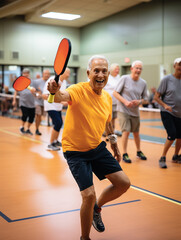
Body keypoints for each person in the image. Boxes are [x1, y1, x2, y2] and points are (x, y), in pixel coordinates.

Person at [47, 55, 130, 240]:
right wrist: (54, 91)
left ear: (108, 74)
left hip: (97, 148)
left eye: (104, 71)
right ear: (88, 73)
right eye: (96, 71)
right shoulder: (78, 89)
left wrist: (115, 145)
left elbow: (108, 123)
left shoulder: (107, 98)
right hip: (75, 152)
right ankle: (85, 237)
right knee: (89, 194)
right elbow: (59, 97)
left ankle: (96, 209)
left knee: (124, 183)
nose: (100, 74)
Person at [113, 60, 148, 163]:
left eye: (140, 68)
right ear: (132, 69)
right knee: (126, 131)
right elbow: (115, 93)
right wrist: (125, 102)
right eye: (136, 68)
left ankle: (139, 151)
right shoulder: (124, 78)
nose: (138, 70)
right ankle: (124, 153)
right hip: (123, 110)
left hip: (135, 112)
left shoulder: (143, 83)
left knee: (136, 133)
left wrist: (139, 101)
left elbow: (145, 99)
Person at [154, 57, 181, 168]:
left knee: (180, 136)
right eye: (179, 65)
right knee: (172, 134)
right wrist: (165, 105)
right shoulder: (167, 79)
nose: (180, 67)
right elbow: (156, 97)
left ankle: (175, 156)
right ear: (174, 66)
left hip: (180, 113)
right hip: (167, 112)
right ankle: (163, 157)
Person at [43, 68, 70, 151]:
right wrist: (62, 102)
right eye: (67, 73)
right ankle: (50, 144)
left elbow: (62, 95)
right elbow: (44, 96)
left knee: (59, 123)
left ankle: (55, 141)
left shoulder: (64, 82)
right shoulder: (52, 80)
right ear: (62, 73)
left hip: (58, 107)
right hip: (50, 106)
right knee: (58, 122)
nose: (68, 75)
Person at [12, 68, 36, 135]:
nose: (26, 74)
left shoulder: (32, 82)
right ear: (22, 74)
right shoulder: (20, 82)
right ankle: (22, 127)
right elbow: (15, 91)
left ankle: (28, 128)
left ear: (29, 74)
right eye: (24, 73)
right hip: (23, 102)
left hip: (32, 103)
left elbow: (35, 92)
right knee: (25, 115)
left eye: (27, 73)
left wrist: (34, 91)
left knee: (31, 117)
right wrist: (14, 100)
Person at [104, 63, 122, 137]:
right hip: (108, 101)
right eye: (116, 69)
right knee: (108, 118)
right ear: (111, 70)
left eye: (118, 69)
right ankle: (107, 131)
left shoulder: (118, 77)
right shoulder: (108, 77)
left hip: (116, 101)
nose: (117, 71)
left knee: (114, 117)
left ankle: (113, 131)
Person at [33, 69, 50, 135]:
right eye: (45, 73)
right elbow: (33, 91)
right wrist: (38, 93)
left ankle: (37, 127)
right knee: (38, 115)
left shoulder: (49, 82)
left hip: (45, 102)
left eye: (48, 74)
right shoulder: (37, 82)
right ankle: (37, 129)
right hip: (37, 102)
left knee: (41, 117)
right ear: (43, 74)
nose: (47, 75)